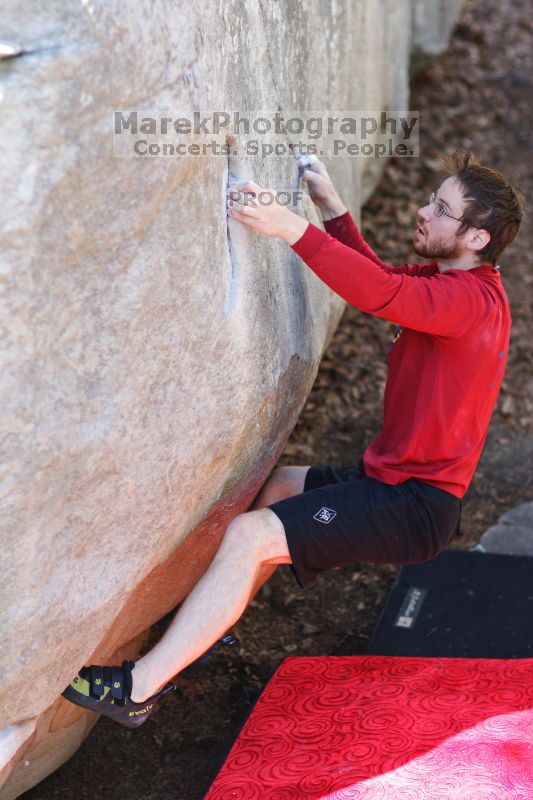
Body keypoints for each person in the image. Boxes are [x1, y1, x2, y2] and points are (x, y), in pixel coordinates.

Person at [62, 151, 523, 726]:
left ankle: (136, 690)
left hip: (413, 505)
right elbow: (380, 280)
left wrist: (288, 227)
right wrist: (331, 209)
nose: (423, 211)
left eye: (441, 208)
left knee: (252, 536)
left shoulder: (469, 304)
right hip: (390, 481)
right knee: (279, 488)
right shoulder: (452, 283)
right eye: (432, 199)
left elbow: (378, 295)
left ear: (476, 236)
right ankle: (206, 629)